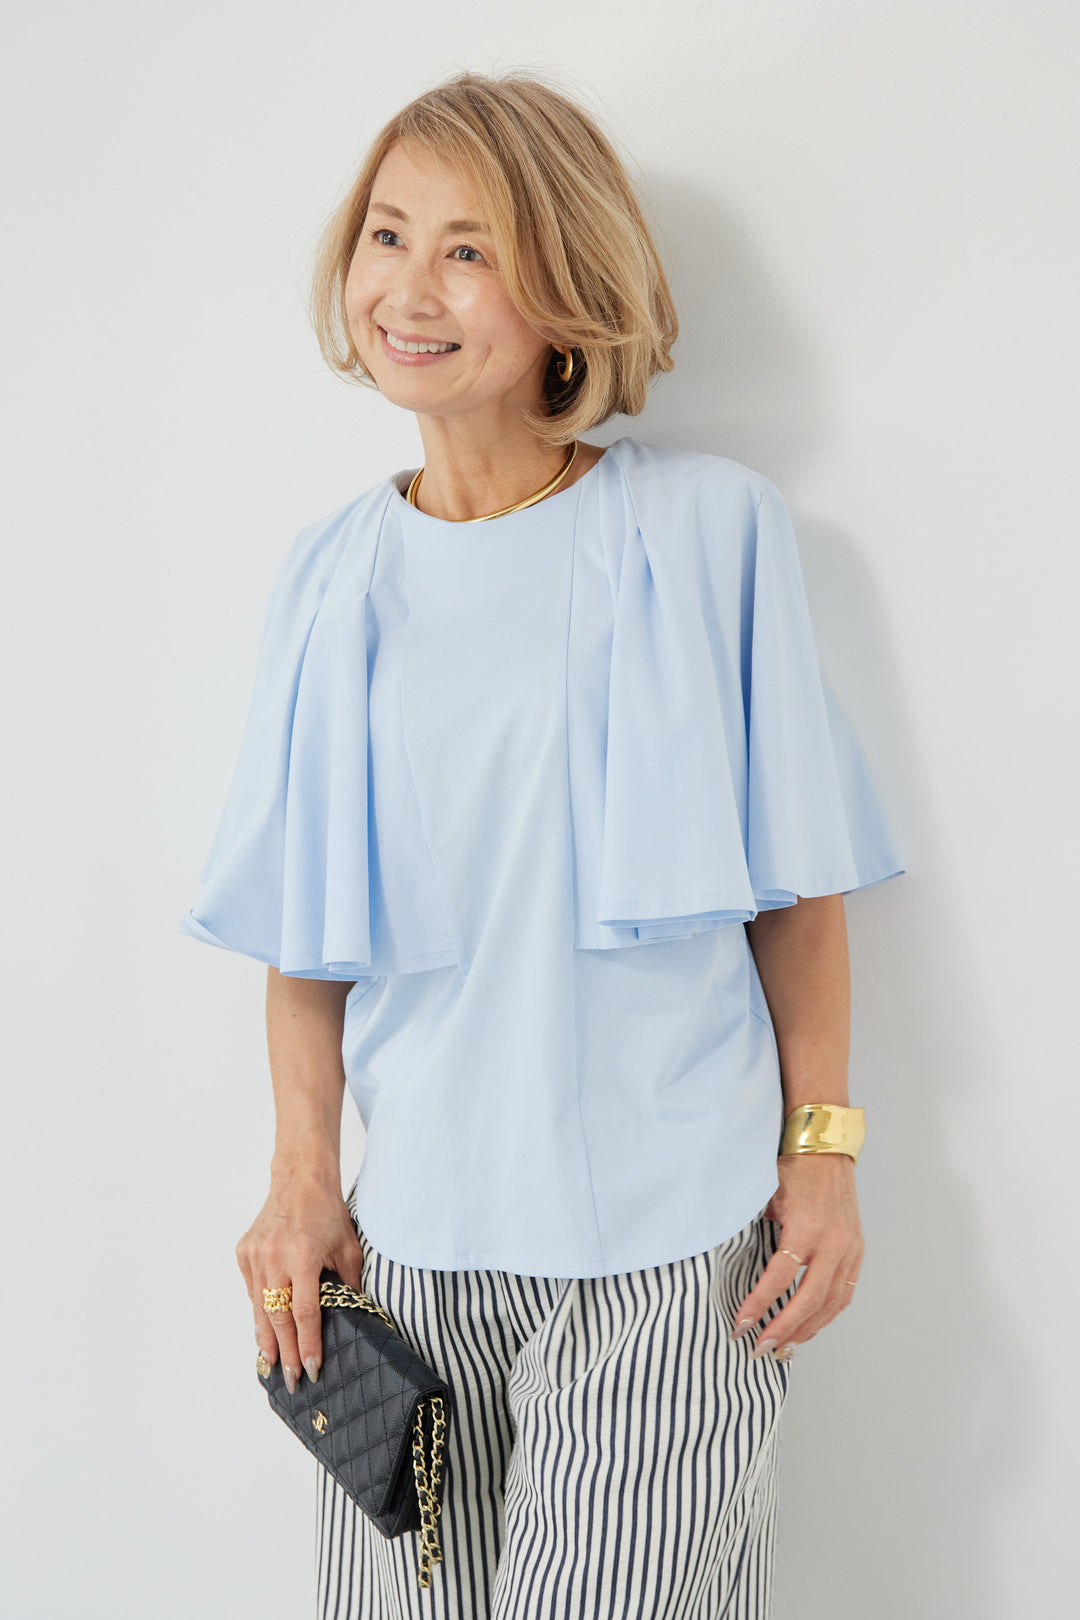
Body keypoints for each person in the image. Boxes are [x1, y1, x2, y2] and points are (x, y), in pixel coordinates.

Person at [178, 68, 905, 1620]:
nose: (409, 289)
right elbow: (306, 936)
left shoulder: (710, 533)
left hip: (675, 1262)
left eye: (471, 250)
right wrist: (301, 1178)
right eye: (388, 235)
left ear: (567, 287)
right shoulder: (329, 579)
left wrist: (824, 1155)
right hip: (411, 1266)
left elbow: (799, 888)